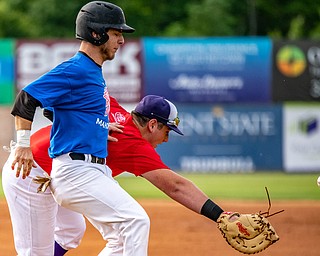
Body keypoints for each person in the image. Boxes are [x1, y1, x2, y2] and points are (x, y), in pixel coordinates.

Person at [8, 1, 151, 256]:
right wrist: (22, 145)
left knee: (121, 232)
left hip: (90, 169)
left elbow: (57, 110)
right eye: (116, 33)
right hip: (75, 170)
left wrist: (94, 129)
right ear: (96, 34)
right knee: (135, 221)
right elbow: (26, 100)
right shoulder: (77, 69)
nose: (121, 41)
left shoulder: (92, 72)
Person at [3, 95, 225, 255]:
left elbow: (58, 106)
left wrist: (90, 127)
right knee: (34, 252)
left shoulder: (112, 107)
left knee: (72, 230)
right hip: (28, 169)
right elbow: (176, 186)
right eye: (167, 132)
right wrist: (221, 216)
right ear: (152, 124)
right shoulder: (134, 144)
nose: (166, 139)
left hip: (55, 172)